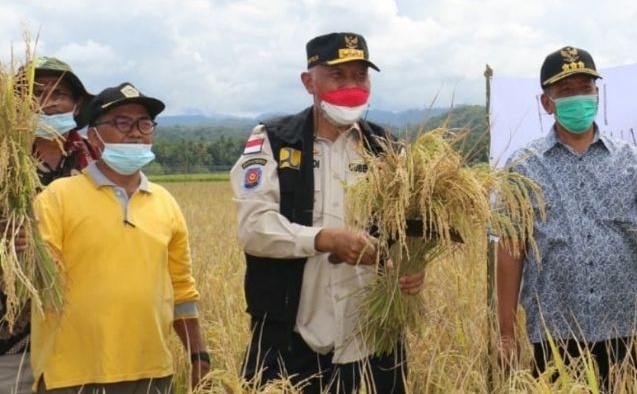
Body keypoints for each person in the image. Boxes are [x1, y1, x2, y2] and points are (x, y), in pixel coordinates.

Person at [232, 32, 424, 393]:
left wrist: (412, 266)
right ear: (309, 82)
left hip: (372, 341)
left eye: (360, 76)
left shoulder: (389, 150)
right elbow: (254, 227)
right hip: (292, 340)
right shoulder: (273, 141)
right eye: (338, 76)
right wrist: (323, 238)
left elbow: (409, 229)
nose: (351, 86)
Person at [496, 46, 637, 390]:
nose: (579, 98)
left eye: (585, 89)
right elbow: (510, 250)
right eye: (566, 92)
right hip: (556, 328)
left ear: (597, 94)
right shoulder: (523, 167)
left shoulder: (634, 162)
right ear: (546, 103)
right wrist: (505, 333)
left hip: (626, 324)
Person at [31, 83, 210, 393]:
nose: (136, 132)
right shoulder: (56, 198)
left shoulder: (165, 202)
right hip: (73, 375)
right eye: (122, 122)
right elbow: (39, 278)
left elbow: (182, 290)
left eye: (144, 123)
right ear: (93, 136)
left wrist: (198, 355)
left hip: (152, 372)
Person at [1, 57, 96, 394]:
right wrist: (7, 240)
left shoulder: (96, 161)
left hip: (81, 325)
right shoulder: (4, 162)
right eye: (33, 94)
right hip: (14, 334)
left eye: (59, 94)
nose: (46, 103)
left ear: (78, 104)